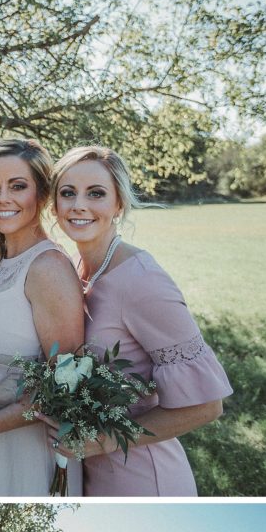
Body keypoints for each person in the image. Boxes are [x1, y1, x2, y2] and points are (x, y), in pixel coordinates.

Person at [41, 144, 233, 496]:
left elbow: (207, 406)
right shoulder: (74, 267)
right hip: (92, 474)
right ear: (54, 205)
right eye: (67, 193)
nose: (78, 204)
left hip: (144, 477)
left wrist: (103, 441)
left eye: (95, 193)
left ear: (119, 204)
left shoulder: (142, 281)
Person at [0, 137, 85, 496]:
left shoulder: (49, 267)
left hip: (20, 442)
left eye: (17, 186)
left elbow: (62, 387)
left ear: (41, 194)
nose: (1, 198)